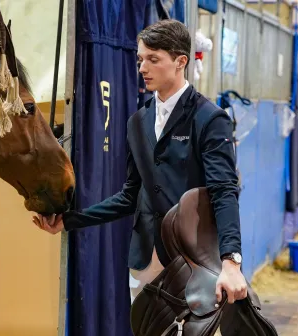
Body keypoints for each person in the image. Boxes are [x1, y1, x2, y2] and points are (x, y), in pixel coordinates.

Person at [33, 19, 247, 307]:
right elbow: (129, 196)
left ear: (180, 61)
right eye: (140, 59)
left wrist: (231, 259)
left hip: (194, 258)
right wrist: (68, 221)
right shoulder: (137, 121)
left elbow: (224, 191)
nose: (142, 68)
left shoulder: (210, 119)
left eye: (153, 59)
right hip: (146, 257)